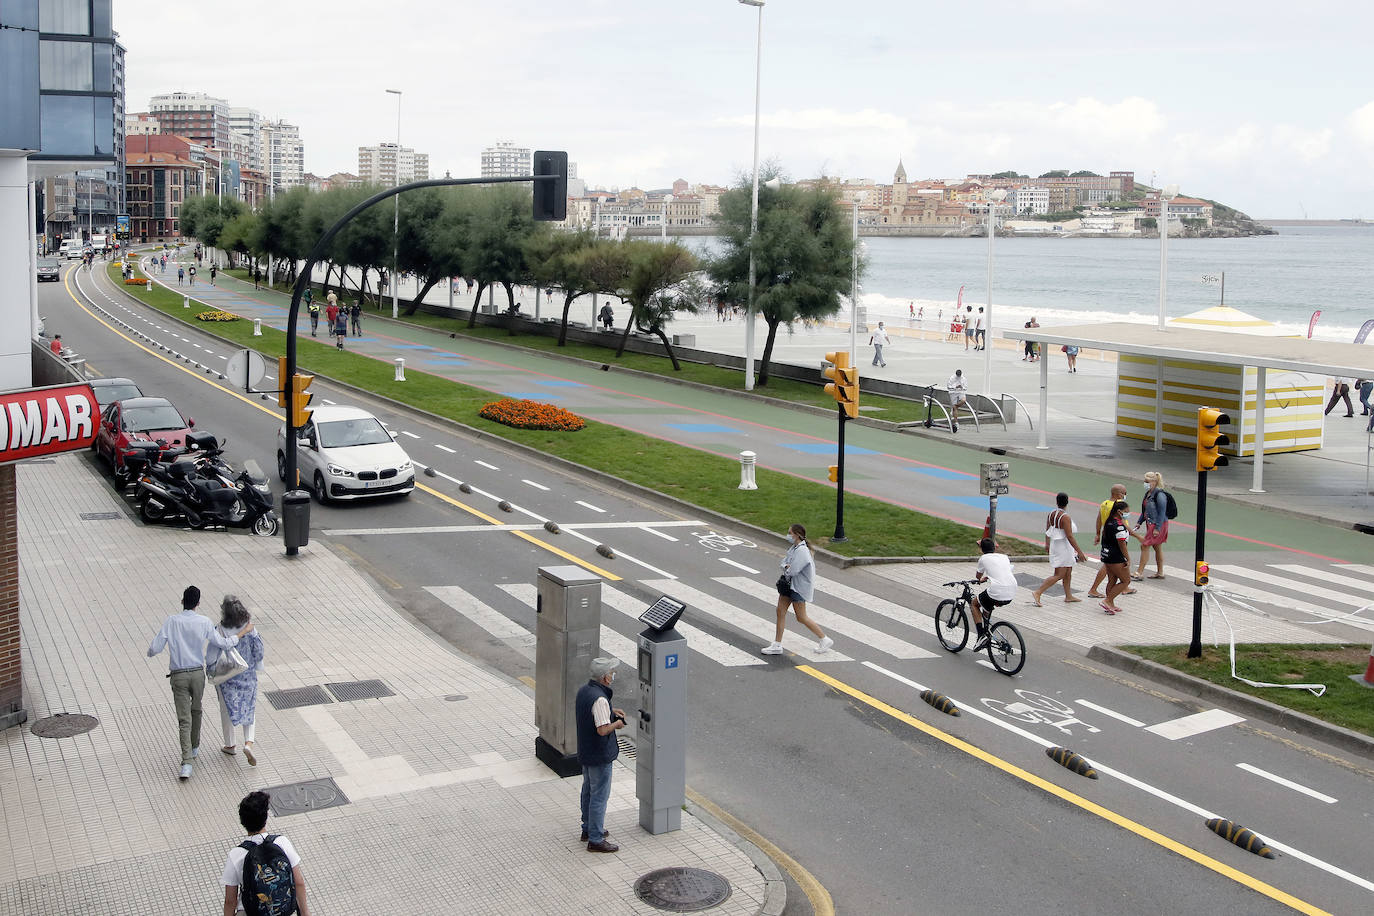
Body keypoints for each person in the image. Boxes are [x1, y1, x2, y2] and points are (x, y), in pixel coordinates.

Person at [147, 586, 253, 780]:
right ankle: (194, 747)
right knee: (196, 710)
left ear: (182, 602)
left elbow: (154, 648)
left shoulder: (171, 622)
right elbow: (223, 643)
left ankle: (187, 762)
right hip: (197, 675)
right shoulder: (204, 622)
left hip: (178, 675)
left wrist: (150, 652)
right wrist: (242, 633)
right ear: (198, 603)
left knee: (183, 719)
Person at [222, 790, 311, 916]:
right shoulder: (282, 842)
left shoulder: (236, 854)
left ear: (242, 821)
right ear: (265, 817)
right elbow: (299, 882)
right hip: (282, 910)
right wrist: (305, 912)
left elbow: (230, 901)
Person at [207, 596, 263, 766]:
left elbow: (210, 657)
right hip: (248, 676)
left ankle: (230, 744)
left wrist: (211, 671)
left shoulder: (220, 630)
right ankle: (248, 743)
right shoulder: (249, 627)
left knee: (226, 711)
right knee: (249, 709)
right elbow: (258, 651)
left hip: (228, 678)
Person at [576, 657, 625, 853]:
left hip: (586, 751)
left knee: (588, 790)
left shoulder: (585, 691)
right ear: (605, 677)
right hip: (599, 753)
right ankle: (595, 839)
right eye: (612, 673)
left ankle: (587, 828)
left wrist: (611, 711)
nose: (613, 676)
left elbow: (593, 714)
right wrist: (617, 724)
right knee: (599, 796)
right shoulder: (600, 699)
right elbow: (603, 730)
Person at [761, 523, 832, 655]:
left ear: (797, 535)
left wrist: (787, 567)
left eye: (790, 533)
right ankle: (777, 644)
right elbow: (784, 562)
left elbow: (793, 570)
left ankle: (824, 639)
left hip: (798, 588)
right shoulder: (794, 548)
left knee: (801, 617)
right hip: (789, 585)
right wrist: (786, 566)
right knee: (780, 611)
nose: (788, 535)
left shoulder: (802, 551)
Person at [1032, 492, 1087, 605]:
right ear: (1067, 502)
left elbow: (1047, 530)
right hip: (1064, 547)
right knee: (1059, 574)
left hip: (1056, 544)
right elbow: (1070, 536)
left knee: (1068, 572)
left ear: (1057, 502)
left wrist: (1047, 544)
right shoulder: (1065, 517)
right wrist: (1080, 552)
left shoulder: (1052, 513)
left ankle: (1068, 595)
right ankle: (1038, 592)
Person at [1087, 483, 1131, 599]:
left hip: (1107, 535)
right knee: (1113, 564)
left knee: (1109, 565)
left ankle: (1121, 587)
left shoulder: (1104, 503)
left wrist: (1097, 533)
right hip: (1117, 537)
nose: (1125, 495)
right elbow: (1121, 523)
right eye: (1124, 493)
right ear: (1118, 493)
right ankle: (1096, 589)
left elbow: (1099, 518)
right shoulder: (1117, 506)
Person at [972, 537, 1017, 651]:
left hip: (998, 590)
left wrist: (981, 579)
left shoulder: (983, 558)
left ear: (981, 549)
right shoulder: (1004, 557)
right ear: (994, 548)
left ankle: (981, 635)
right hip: (1012, 590)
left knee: (974, 604)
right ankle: (987, 630)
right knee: (987, 602)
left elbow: (978, 576)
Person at [1133, 471, 1170, 581]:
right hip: (1151, 524)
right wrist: (1139, 522)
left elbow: (1162, 512)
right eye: (1144, 481)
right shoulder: (1148, 494)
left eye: (1147, 481)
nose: (1145, 483)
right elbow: (1145, 510)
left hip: (1158, 525)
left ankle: (1139, 572)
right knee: (1157, 547)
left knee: (1144, 546)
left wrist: (1157, 528)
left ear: (1154, 482)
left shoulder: (1160, 495)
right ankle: (1160, 572)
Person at [1098, 501, 1132, 614]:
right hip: (1115, 557)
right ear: (1119, 511)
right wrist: (1127, 558)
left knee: (1112, 580)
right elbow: (1122, 544)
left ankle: (1110, 603)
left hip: (1106, 555)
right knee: (1126, 580)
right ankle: (1107, 600)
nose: (1128, 513)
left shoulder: (1109, 522)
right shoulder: (1119, 526)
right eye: (1126, 511)